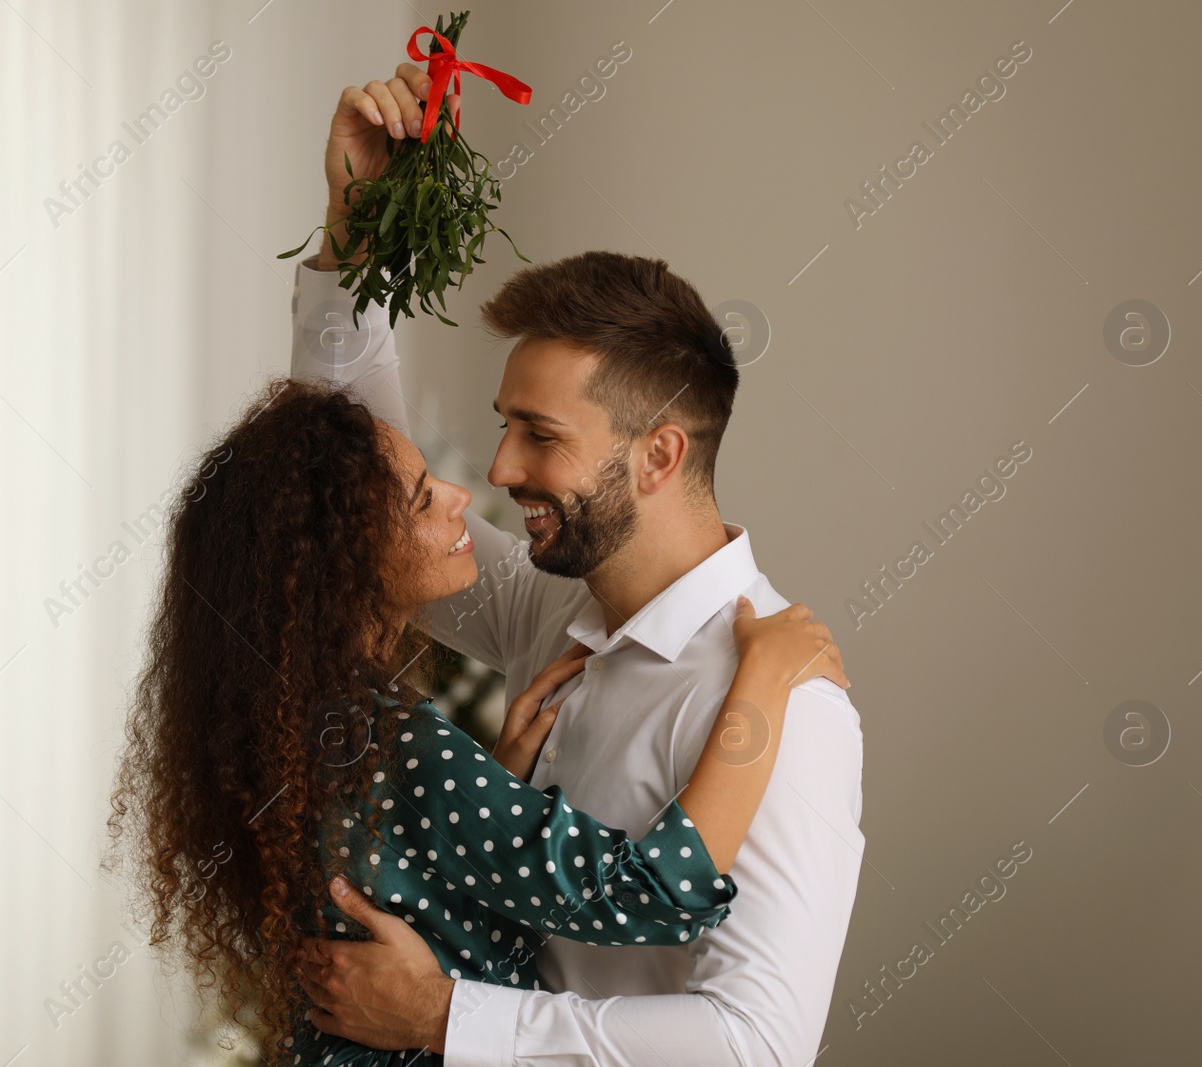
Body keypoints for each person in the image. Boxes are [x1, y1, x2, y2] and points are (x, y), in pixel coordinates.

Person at [288, 65, 868, 1067]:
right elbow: (367, 481)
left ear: (658, 455)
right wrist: (353, 225)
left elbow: (754, 1044)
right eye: (505, 425)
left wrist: (445, 1020)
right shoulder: (547, 609)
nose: (501, 467)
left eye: (539, 435)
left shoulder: (790, 706)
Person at [108, 378, 849, 1065]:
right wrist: (763, 679)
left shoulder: (316, 725)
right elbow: (649, 892)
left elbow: (418, 886)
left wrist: (490, 784)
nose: (468, 492)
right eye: (423, 498)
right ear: (348, 553)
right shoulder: (394, 741)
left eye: (538, 431)